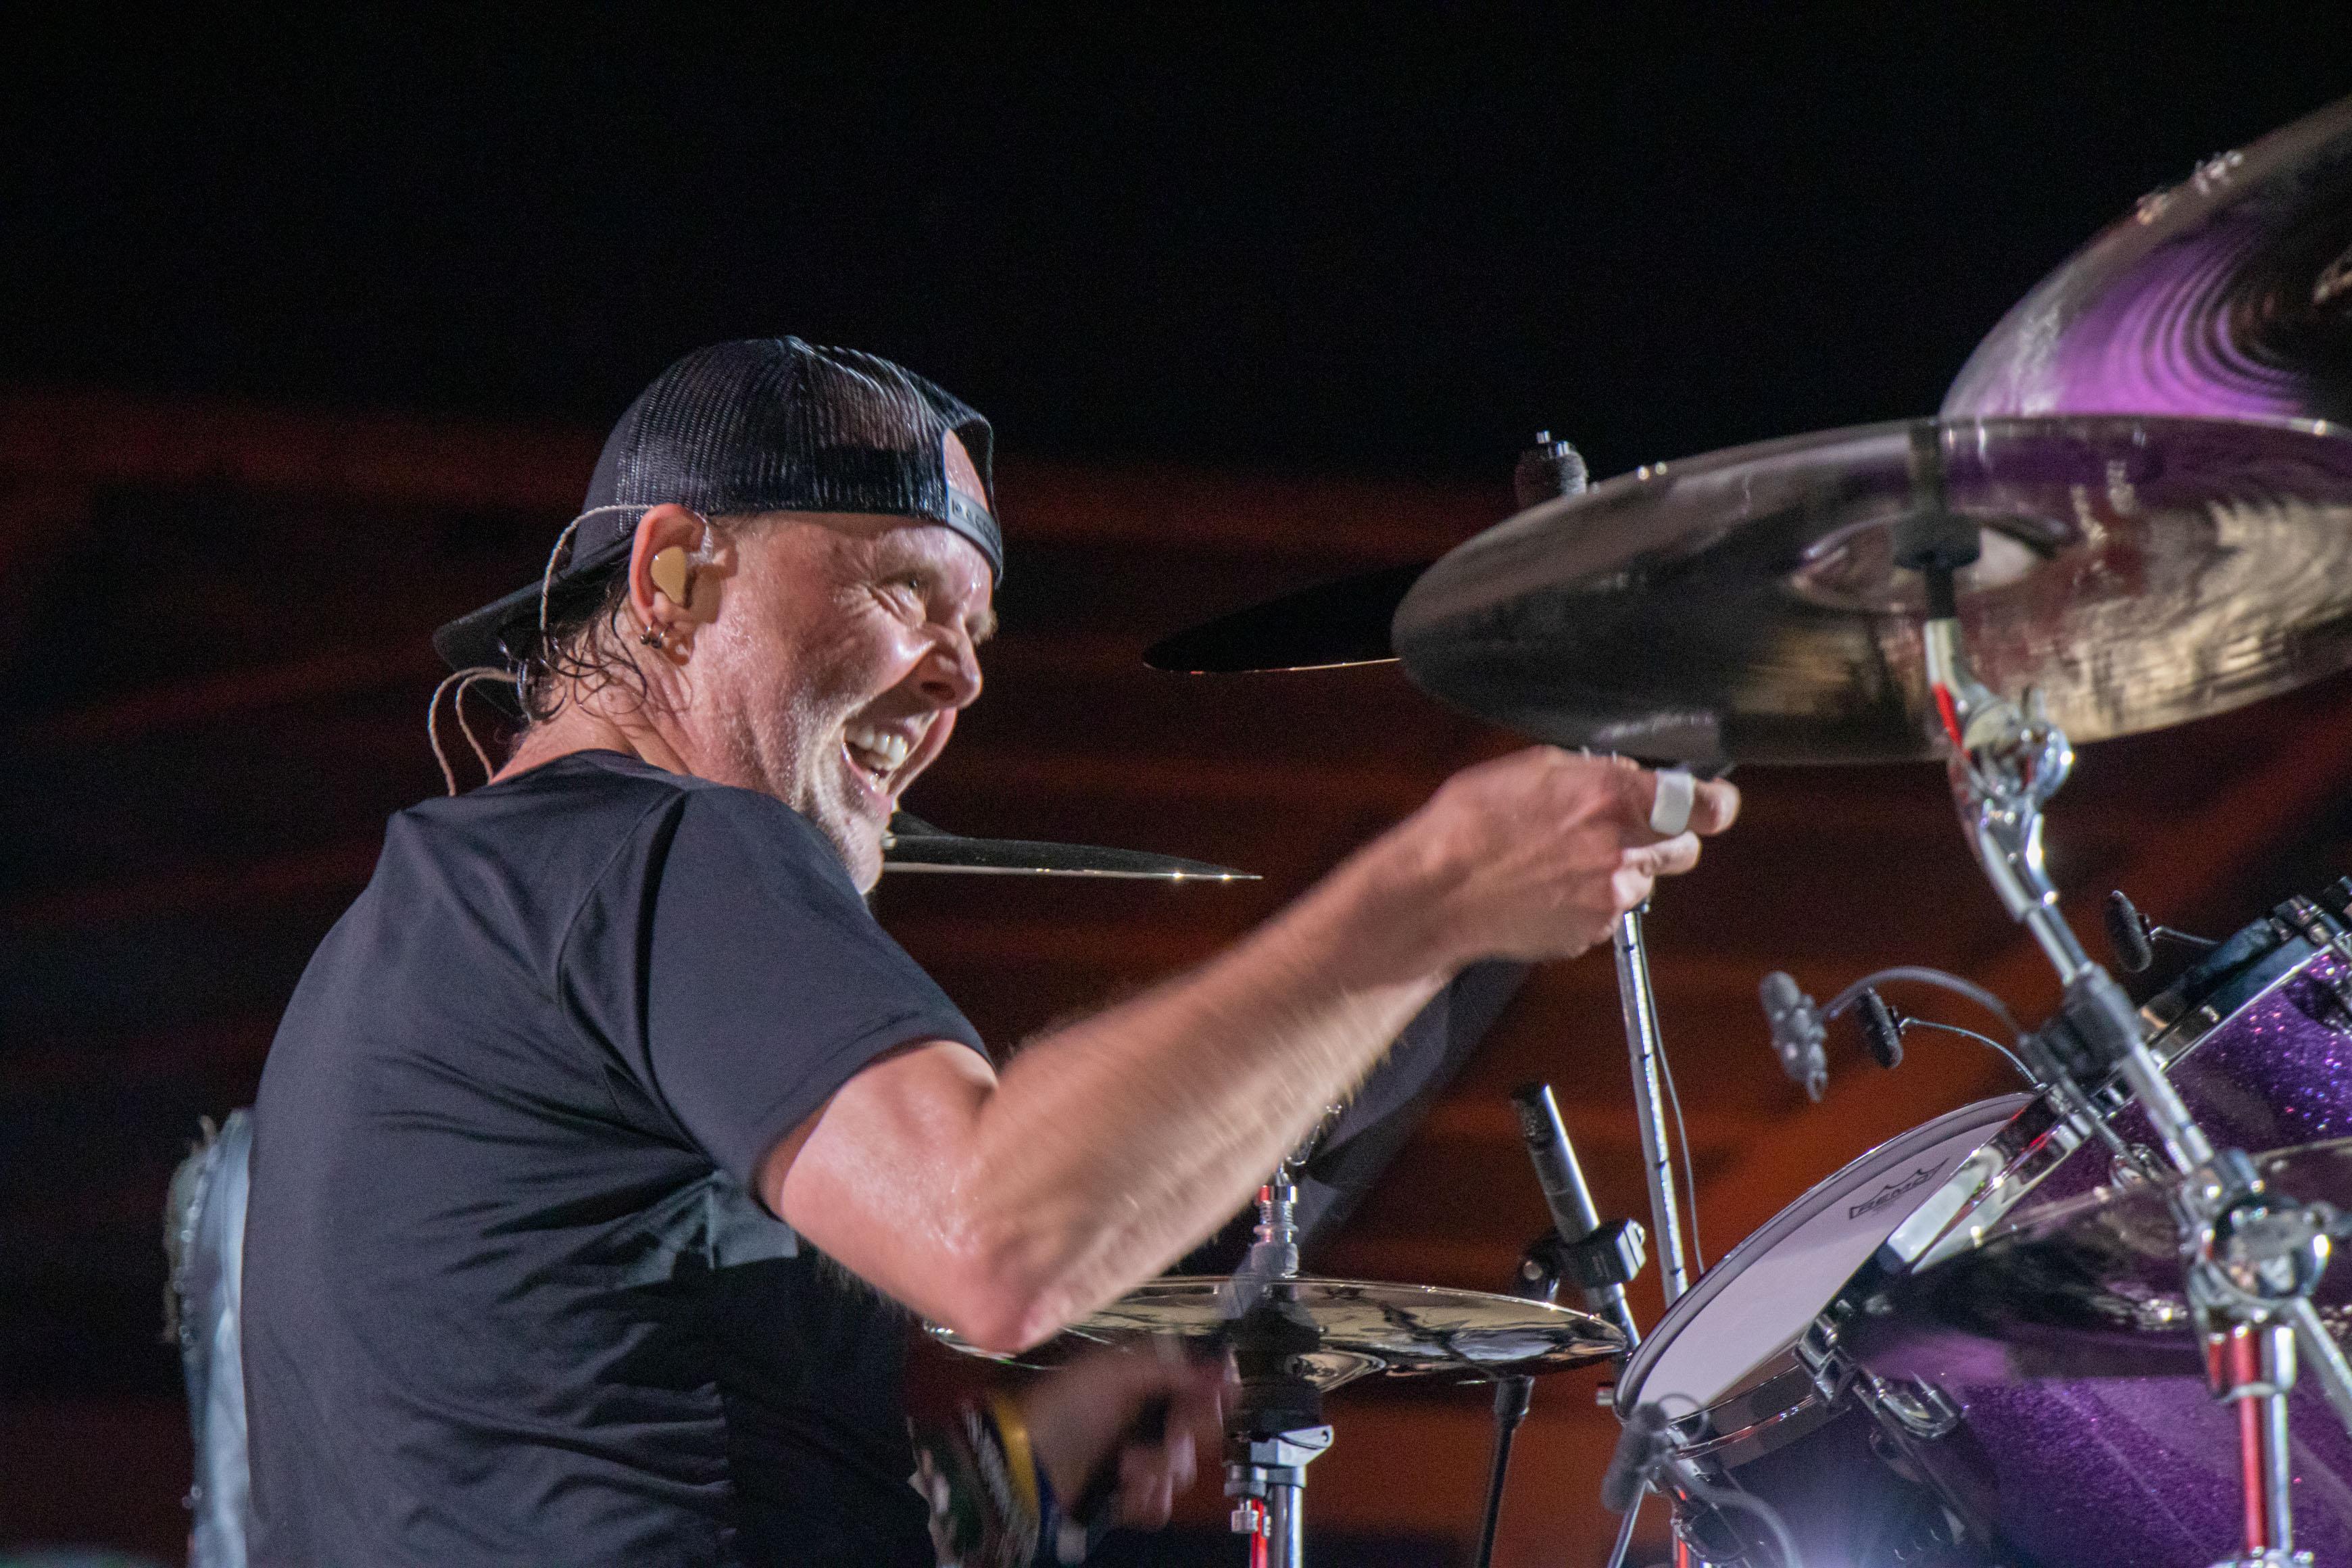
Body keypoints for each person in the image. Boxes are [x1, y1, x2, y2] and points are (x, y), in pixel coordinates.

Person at [240, 338, 1738, 1567]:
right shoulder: (667, 847)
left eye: (981, 631)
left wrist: (1041, 1448)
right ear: (675, 575)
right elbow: (996, 1240)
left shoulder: (415, 929)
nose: (961, 677)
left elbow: (602, 1465)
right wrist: (1437, 890)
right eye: (907, 592)